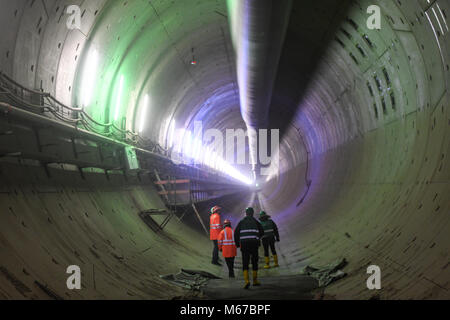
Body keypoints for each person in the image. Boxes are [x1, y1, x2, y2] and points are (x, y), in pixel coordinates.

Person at [234, 207, 264, 289]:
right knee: (254, 261)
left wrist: (237, 243)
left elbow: (236, 233)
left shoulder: (241, 222)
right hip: (254, 243)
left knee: (245, 261)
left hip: (244, 244)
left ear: (246, 213)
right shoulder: (256, 222)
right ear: (253, 213)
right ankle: (255, 281)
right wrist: (257, 237)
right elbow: (262, 231)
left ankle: (247, 281)